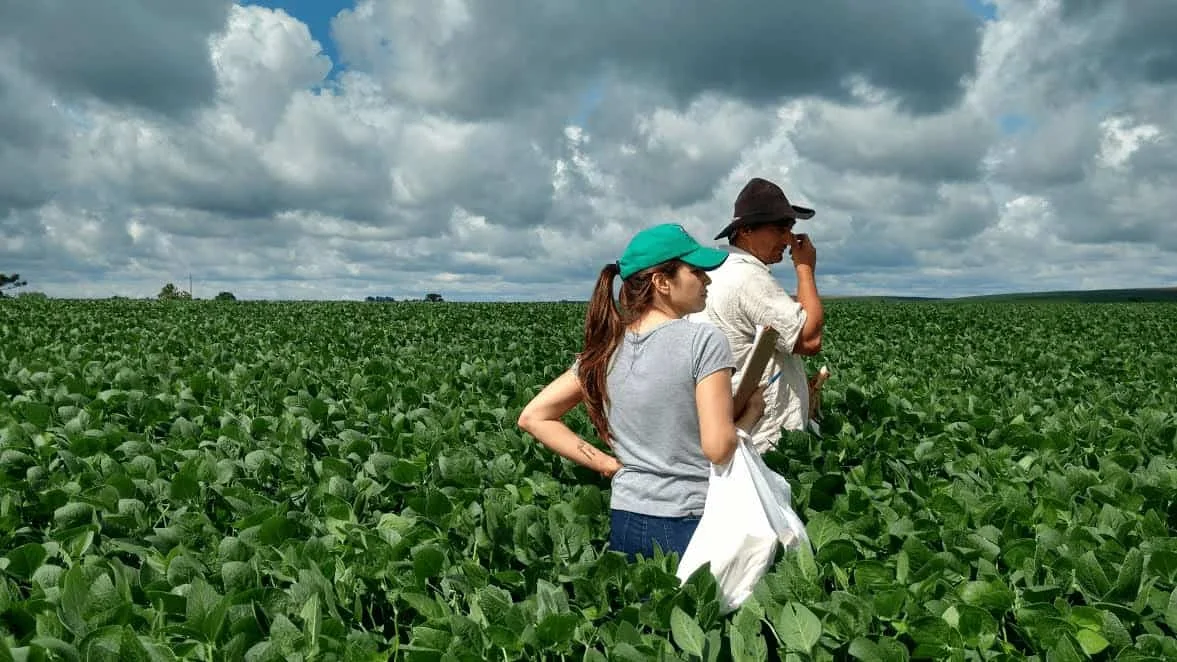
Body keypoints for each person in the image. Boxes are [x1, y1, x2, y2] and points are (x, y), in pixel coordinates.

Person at [517, 223, 766, 561]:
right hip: (690, 518)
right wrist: (751, 413)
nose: (706, 280)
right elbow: (718, 449)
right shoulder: (704, 341)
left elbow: (534, 416)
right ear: (661, 282)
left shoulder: (607, 348)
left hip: (626, 517)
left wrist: (607, 464)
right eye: (695, 272)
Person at [686, 177, 824, 453]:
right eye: (780, 228)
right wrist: (805, 268)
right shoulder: (747, 276)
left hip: (729, 421)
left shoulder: (715, 269)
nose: (788, 239)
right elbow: (809, 340)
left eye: (791, 228)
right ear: (746, 230)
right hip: (765, 439)